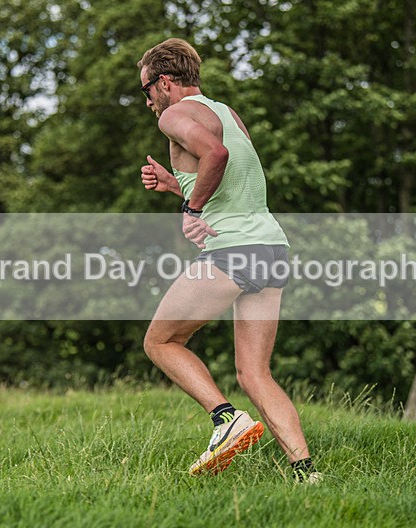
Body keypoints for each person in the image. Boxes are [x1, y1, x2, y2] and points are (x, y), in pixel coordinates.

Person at [137, 38, 319, 482]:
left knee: (160, 342)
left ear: (164, 82)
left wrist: (192, 209)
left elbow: (215, 157)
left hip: (232, 249)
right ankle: (306, 473)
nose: (147, 102)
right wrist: (175, 186)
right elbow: (232, 182)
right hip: (271, 247)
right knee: (254, 372)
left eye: (146, 90)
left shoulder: (174, 114)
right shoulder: (226, 113)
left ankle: (225, 419)